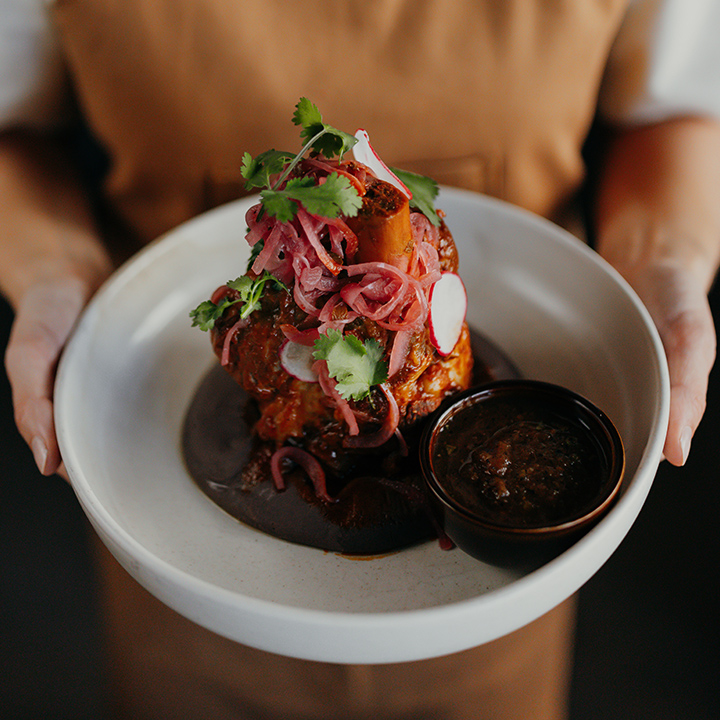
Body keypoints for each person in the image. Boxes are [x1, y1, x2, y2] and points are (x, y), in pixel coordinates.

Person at [1, 1, 719, 718]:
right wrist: (54, 269)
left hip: (492, 588)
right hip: (184, 583)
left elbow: (672, 109)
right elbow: (13, 126)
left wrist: (664, 265)